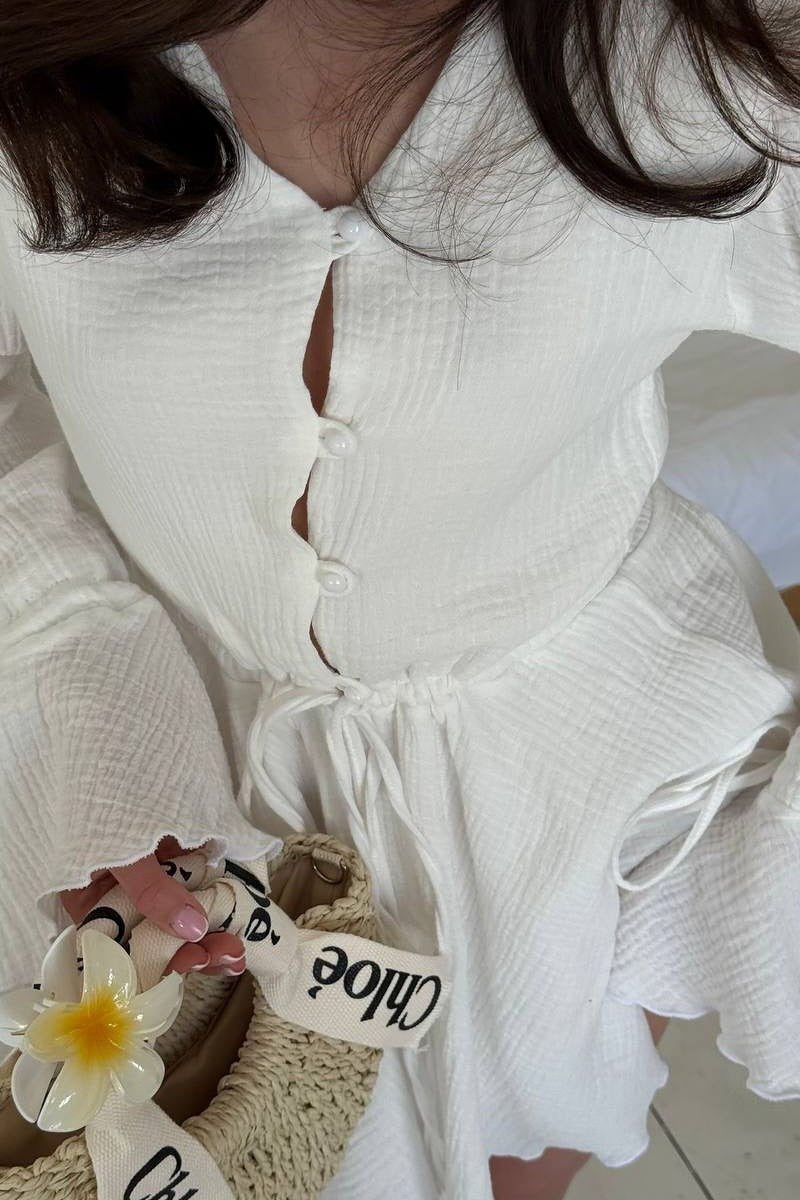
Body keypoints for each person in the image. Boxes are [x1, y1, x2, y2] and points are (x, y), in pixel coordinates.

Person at [2, 1, 800, 1197]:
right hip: (147, 755)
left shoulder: (709, 65)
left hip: (566, 795)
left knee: (528, 1120)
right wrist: (94, 706)